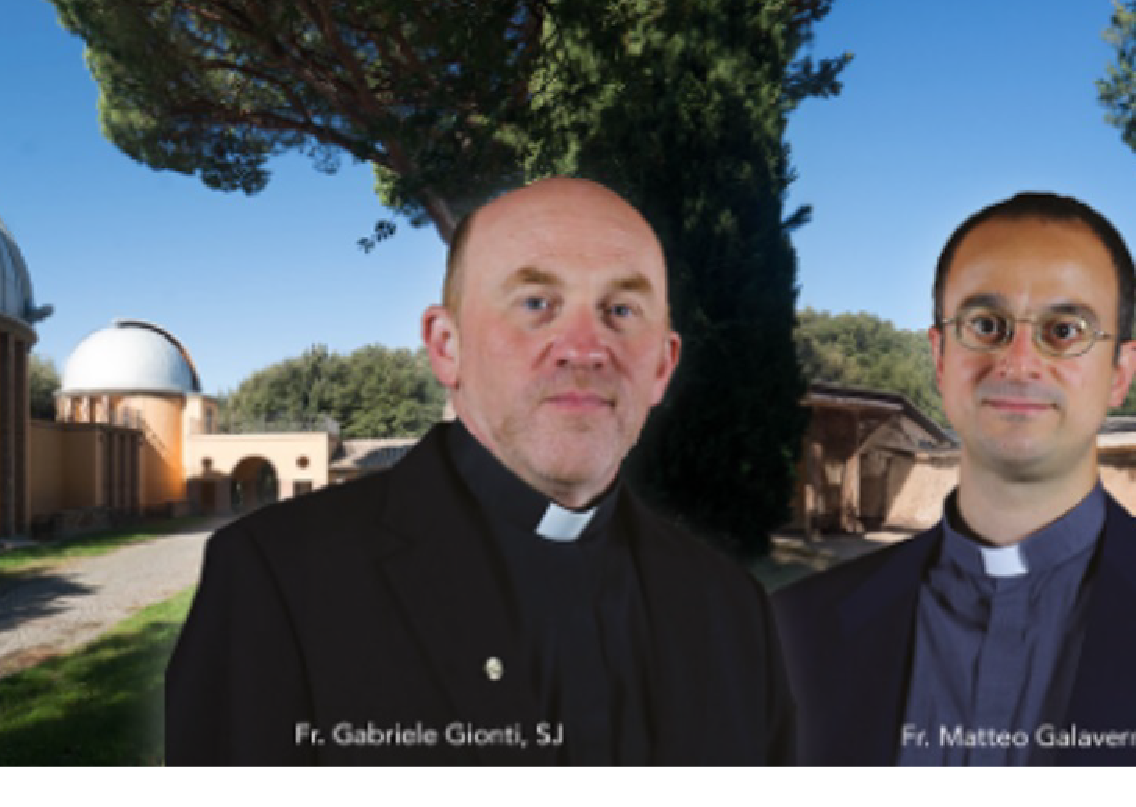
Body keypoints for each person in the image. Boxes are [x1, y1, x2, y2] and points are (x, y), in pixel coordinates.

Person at [166, 177, 794, 765]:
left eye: (622, 310)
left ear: (662, 365)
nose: (584, 349)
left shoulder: (734, 611)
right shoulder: (276, 580)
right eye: (536, 303)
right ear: (447, 347)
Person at [774, 191, 1136, 766]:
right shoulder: (789, 632)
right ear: (940, 357)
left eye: (1065, 330)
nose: (1018, 362)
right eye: (986, 325)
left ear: (1120, 372)